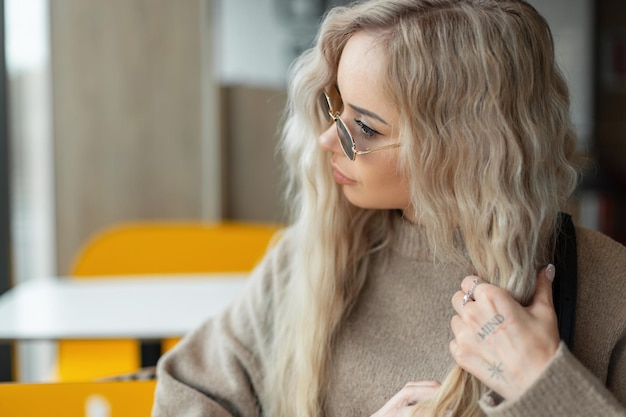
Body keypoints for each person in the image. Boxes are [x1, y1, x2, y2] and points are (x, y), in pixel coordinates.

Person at [151, 0, 626, 416]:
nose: (325, 140)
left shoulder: (606, 289)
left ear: (470, 148)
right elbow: (187, 392)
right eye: (336, 109)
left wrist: (545, 385)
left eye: (368, 129)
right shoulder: (312, 259)